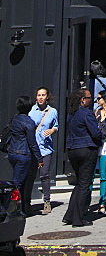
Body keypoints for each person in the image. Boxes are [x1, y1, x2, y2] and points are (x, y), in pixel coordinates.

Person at [63, 88, 103, 227]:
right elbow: (96, 133)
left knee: (80, 183)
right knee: (85, 184)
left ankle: (70, 215)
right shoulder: (86, 114)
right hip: (86, 149)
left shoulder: (71, 114)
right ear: (82, 100)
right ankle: (78, 219)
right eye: (89, 98)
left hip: (73, 149)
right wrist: (101, 135)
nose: (90, 100)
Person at [7, 95, 43, 215]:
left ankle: (21, 207)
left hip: (12, 152)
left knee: (19, 180)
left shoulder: (14, 119)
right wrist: (39, 158)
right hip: (23, 154)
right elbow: (32, 143)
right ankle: (10, 208)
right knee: (17, 183)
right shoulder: (29, 122)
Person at [29, 87, 58, 215]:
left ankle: (47, 201)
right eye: (39, 95)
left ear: (47, 97)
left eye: (43, 95)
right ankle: (26, 202)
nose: (41, 97)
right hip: (33, 148)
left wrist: (52, 130)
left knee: (44, 175)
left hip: (45, 148)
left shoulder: (52, 112)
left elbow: (56, 126)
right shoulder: (31, 111)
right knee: (29, 176)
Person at [92, 89, 106, 213]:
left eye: (99, 98)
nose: (97, 101)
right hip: (96, 144)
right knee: (91, 174)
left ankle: (102, 202)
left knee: (103, 175)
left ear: (105, 99)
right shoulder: (96, 112)